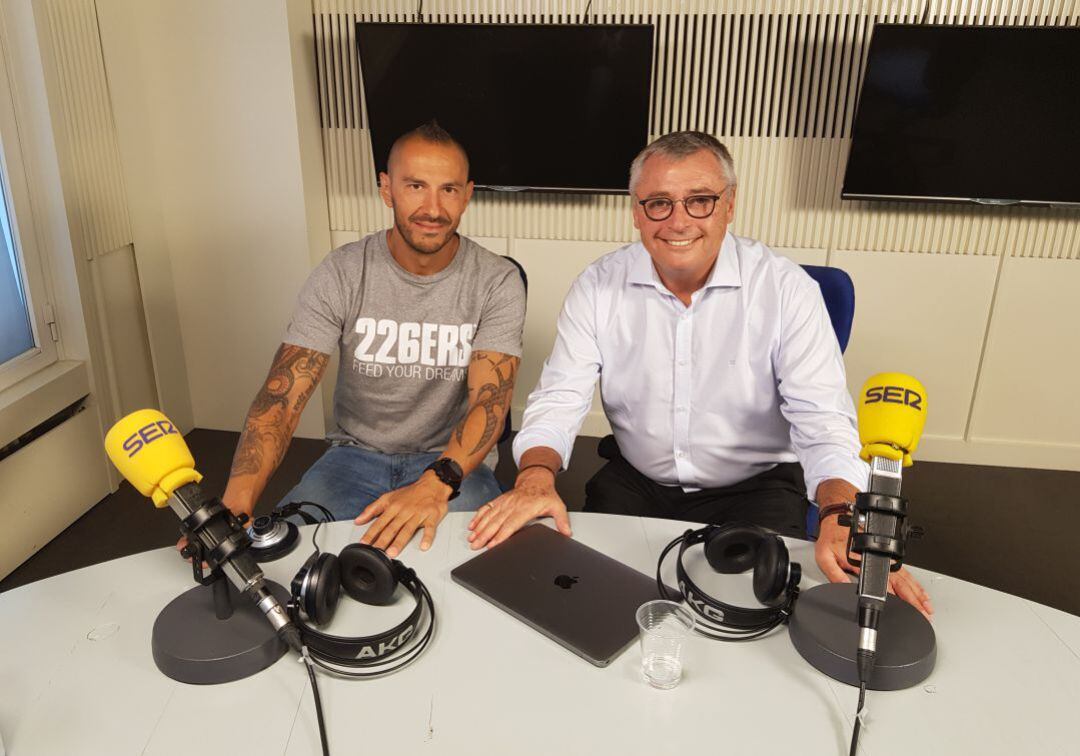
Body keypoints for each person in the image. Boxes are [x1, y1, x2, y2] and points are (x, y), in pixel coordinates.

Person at [468, 130, 931, 618]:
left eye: (700, 201)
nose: (678, 221)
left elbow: (823, 419)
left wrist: (840, 511)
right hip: (637, 480)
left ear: (730, 205)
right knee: (590, 600)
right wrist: (535, 478)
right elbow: (559, 398)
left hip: (756, 486)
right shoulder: (598, 287)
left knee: (756, 616)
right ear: (636, 211)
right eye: (659, 204)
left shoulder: (786, 289)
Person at [219, 121, 525, 558]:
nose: (433, 208)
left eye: (449, 190)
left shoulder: (496, 280)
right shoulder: (342, 272)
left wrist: (436, 482)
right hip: (353, 458)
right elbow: (282, 398)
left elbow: (489, 404)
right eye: (416, 186)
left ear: (468, 194)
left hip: (452, 462)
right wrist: (237, 501)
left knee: (485, 562)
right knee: (279, 558)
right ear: (387, 189)